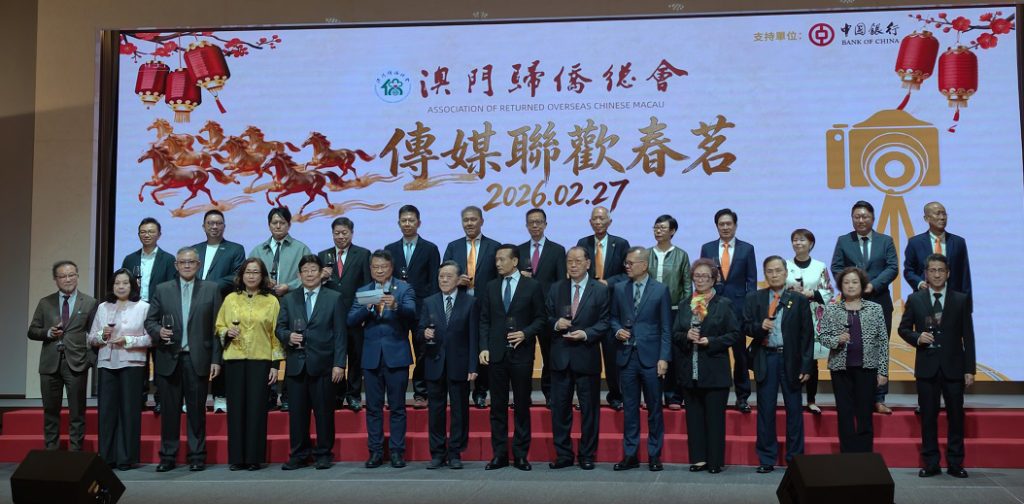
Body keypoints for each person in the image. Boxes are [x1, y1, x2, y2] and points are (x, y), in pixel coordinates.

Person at [144, 247, 223, 472]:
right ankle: (168, 457)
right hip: (168, 357)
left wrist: (216, 360)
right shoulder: (162, 289)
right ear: (176, 265)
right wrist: (159, 331)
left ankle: (197, 456)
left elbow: (217, 328)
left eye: (191, 262)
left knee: (197, 412)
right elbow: (150, 321)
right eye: (182, 262)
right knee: (169, 412)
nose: (187, 265)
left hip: (197, 359)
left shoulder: (211, 289)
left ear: (198, 265)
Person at [898, 254, 975, 479]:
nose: (937, 274)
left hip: (954, 367)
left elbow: (968, 336)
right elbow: (903, 329)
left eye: (941, 270)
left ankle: (955, 463)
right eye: (932, 270)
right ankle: (931, 463)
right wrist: (917, 337)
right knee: (928, 417)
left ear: (948, 273)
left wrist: (969, 369)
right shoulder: (915, 299)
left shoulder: (960, 299)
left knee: (956, 417)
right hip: (927, 367)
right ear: (926, 274)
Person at [479, 244, 546, 471]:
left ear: (515, 261)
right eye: (496, 260)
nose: (497, 263)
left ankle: (520, 455)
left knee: (521, 405)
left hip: (522, 353)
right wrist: (483, 347)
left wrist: (525, 333)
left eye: (502, 259)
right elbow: (484, 320)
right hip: (496, 354)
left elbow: (541, 318)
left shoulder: (532, 286)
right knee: (497, 407)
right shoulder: (491, 286)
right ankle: (499, 454)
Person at [744, 256, 814, 474]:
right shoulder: (754, 298)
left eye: (778, 270)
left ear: (786, 272)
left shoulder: (799, 300)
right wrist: (760, 326)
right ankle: (767, 458)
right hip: (767, 358)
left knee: (794, 410)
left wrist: (806, 366)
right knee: (766, 410)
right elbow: (745, 326)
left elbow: (807, 335)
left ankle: (795, 458)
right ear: (764, 274)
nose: (774, 275)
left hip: (791, 360)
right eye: (769, 271)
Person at [277, 255, 347, 471]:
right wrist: (288, 336)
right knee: (297, 414)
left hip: (324, 364)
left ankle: (324, 454)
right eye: (305, 270)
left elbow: (340, 334)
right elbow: (280, 328)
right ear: (299, 275)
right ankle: (299, 454)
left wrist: (339, 364)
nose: (309, 274)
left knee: (324, 413)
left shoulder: (334, 298)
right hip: (297, 365)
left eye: (313, 270)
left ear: (321, 273)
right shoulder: (289, 299)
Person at [348, 250, 417, 469]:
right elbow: (350, 319)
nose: (379, 270)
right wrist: (367, 308)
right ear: (370, 269)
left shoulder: (403, 288)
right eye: (375, 267)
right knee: (373, 408)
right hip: (371, 358)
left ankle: (397, 452)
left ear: (391, 268)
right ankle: (375, 452)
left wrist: (396, 306)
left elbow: (412, 313)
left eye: (383, 267)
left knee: (397, 407)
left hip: (397, 356)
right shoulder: (364, 291)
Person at [215, 258, 284, 471]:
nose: (251, 276)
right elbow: (219, 325)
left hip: (261, 360)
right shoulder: (230, 299)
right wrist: (226, 332)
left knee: (256, 409)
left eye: (255, 272)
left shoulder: (271, 301)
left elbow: (276, 334)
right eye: (248, 272)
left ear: (262, 276)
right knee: (236, 410)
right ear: (241, 275)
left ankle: (254, 457)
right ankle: (237, 457)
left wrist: (275, 364)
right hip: (234, 359)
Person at [830, 200, 897, 414]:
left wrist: (873, 285)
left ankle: (879, 397)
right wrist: (851, 285)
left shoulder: (885, 241)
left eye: (864, 216)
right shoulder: (843, 240)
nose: (861, 220)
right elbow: (836, 267)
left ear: (872, 218)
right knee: (853, 347)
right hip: (850, 303)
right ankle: (854, 396)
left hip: (879, 300)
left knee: (879, 347)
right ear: (852, 219)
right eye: (856, 217)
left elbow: (892, 267)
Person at [674, 258, 739, 474]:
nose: (700, 280)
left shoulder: (723, 304)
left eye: (705, 276)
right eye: (697, 276)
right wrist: (686, 336)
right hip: (689, 370)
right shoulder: (685, 304)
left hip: (714, 370)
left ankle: (715, 461)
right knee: (694, 419)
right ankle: (698, 459)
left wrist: (711, 341)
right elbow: (675, 333)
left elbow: (734, 334)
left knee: (714, 419)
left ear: (714, 279)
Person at [546, 247, 609, 471]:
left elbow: (605, 322)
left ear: (588, 263)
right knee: (560, 410)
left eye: (578, 261)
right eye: (569, 261)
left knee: (589, 410)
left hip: (586, 355)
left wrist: (586, 333)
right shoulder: (556, 288)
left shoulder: (599, 290)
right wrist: (556, 323)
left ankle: (587, 454)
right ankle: (563, 454)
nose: (573, 265)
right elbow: (546, 316)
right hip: (560, 357)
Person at [609, 247, 671, 472]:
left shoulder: (660, 290)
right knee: (630, 409)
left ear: (644, 265)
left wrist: (664, 357)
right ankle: (630, 454)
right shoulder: (619, 289)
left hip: (651, 358)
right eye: (626, 263)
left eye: (630, 263)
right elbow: (613, 318)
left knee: (654, 408)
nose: (626, 266)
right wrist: (617, 330)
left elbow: (666, 327)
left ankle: (654, 454)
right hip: (627, 357)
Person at [27, 260, 98, 451]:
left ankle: (76, 453)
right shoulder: (45, 302)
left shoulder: (90, 302)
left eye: (71, 275)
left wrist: (90, 361)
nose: (68, 279)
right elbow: (32, 331)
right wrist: (48, 333)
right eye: (63, 276)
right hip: (49, 364)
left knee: (77, 412)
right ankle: (51, 452)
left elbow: (95, 335)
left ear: (77, 276)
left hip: (77, 364)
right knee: (50, 411)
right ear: (56, 279)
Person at [415, 260, 479, 470]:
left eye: (448, 276)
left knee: (460, 411)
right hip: (434, 363)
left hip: (459, 364)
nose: (444, 280)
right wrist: (424, 333)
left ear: (459, 279)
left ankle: (455, 453)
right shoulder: (429, 302)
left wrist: (473, 366)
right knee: (436, 411)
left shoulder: (470, 302)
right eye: (441, 276)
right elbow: (419, 331)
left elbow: (473, 337)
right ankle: (437, 453)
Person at [819, 267, 890, 454]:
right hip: (840, 370)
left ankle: (865, 456)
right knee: (845, 414)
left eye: (854, 282)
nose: (850, 286)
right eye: (846, 282)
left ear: (862, 285)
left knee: (865, 413)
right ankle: (847, 456)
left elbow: (883, 341)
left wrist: (883, 371)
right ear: (841, 286)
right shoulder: (832, 309)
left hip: (867, 369)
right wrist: (837, 340)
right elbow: (822, 336)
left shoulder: (875, 309)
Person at [250, 206, 312, 412]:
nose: (278, 226)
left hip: (292, 303)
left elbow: (309, 275)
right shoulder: (258, 250)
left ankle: (287, 395)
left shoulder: (301, 249)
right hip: (263, 304)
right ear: (269, 225)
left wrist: (289, 286)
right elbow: (248, 274)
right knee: (266, 347)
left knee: (291, 347)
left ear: (289, 225)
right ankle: (268, 394)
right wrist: (264, 283)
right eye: (274, 223)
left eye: (282, 223)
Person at [87, 268, 150, 470]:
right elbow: (91, 338)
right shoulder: (103, 307)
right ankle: (107, 456)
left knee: (129, 411)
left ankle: (125, 458)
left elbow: (150, 338)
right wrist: (102, 336)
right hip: (107, 363)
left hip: (132, 363)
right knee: (107, 412)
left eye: (125, 283)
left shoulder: (143, 307)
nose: (120, 286)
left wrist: (128, 340)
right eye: (117, 283)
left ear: (132, 285)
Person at [699, 208, 756, 413]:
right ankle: (714, 393)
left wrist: (749, 309)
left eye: (728, 224)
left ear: (735, 225)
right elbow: (702, 277)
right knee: (714, 351)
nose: (725, 227)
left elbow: (751, 281)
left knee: (740, 355)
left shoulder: (747, 249)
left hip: (738, 310)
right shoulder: (707, 248)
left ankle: (742, 397)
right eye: (721, 224)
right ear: (716, 226)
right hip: (713, 309)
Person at [443, 206, 500, 409]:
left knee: (482, 345)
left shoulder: (494, 246)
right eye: (465, 220)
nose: (469, 223)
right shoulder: (453, 246)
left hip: (485, 305)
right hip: (459, 304)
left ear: (481, 221)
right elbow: (444, 274)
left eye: (473, 219)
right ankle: (461, 390)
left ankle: (481, 391)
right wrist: (456, 281)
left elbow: (499, 277)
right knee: (461, 346)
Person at [386, 205, 441, 410]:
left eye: (411, 220)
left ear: (419, 223)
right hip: (397, 308)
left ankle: (421, 393)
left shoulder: (430, 248)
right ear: (398, 223)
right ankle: (395, 396)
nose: (407, 224)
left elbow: (434, 282)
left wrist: (431, 311)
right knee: (395, 352)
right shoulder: (390, 249)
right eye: (404, 220)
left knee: (423, 352)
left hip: (422, 309)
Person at [576, 206, 631, 410]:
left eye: (602, 218)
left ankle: (616, 396)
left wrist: (608, 282)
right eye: (595, 219)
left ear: (609, 222)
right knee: (585, 356)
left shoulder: (621, 243)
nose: (598, 222)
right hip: (588, 306)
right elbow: (577, 271)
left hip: (612, 306)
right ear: (590, 222)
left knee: (611, 356)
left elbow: (627, 273)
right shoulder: (583, 243)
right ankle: (585, 398)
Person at [193, 209, 246, 414]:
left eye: (218, 223)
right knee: (196, 349)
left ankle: (220, 395)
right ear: (203, 226)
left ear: (224, 226)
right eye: (210, 223)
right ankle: (193, 396)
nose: (214, 226)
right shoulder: (194, 250)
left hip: (222, 305)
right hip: (195, 307)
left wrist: (208, 286)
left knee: (221, 347)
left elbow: (236, 276)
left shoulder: (235, 249)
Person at [121, 217, 176, 414]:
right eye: (143, 232)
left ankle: (160, 398)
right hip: (134, 312)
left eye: (151, 231)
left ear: (159, 235)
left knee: (159, 357)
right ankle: (140, 397)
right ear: (138, 235)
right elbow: (122, 284)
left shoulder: (168, 259)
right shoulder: (130, 259)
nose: (147, 235)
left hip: (157, 313)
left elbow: (171, 288)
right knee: (138, 356)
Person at [318, 217, 371, 411]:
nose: (340, 237)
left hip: (355, 316)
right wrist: (321, 278)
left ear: (351, 233)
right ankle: (337, 395)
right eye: (337, 233)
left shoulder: (363, 254)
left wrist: (364, 315)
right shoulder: (323, 256)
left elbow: (368, 285)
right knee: (335, 357)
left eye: (344, 233)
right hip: (331, 318)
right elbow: (317, 288)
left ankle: (354, 395)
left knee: (355, 356)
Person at [518, 208, 567, 407]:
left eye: (539, 222)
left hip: (548, 312)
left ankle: (550, 393)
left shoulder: (557, 250)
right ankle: (523, 395)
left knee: (549, 354)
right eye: (531, 222)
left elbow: (561, 282)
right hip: (525, 312)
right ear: (526, 225)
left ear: (546, 224)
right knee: (524, 356)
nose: (535, 225)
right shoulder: (519, 250)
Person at [786, 229, 835, 415]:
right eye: (795, 240)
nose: (798, 243)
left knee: (811, 359)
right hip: (790, 316)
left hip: (813, 316)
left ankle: (811, 400)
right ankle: (793, 398)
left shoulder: (820, 266)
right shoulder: (785, 265)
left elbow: (829, 291)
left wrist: (811, 293)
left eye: (802, 240)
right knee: (791, 357)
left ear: (811, 244)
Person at [648, 214, 691, 410]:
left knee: (673, 353)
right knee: (651, 352)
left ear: (672, 231)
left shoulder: (681, 255)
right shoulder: (646, 254)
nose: (658, 231)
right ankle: (653, 396)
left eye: (662, 228)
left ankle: (673, 396)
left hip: (674, 310)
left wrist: (684, 312)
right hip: (650, 310)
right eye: (656, 227)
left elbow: (687, 286)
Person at [904, 202, 972, 296]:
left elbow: (965, 274)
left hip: (953, 298)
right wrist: (920, 283)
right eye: (938, 213)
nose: (942, 217)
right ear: (926, 218)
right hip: (924, 297)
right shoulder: (915, 243)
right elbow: (909, 271)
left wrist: (966, 301)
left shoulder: (958, 242)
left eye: (944, 214)